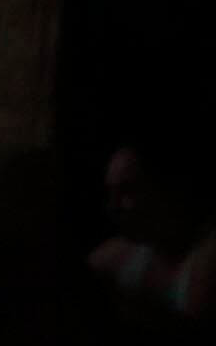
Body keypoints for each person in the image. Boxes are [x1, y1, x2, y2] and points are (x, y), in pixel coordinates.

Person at [90, 133, 212, 322]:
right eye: (111, 193)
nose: (112, 207)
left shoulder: (207, 253)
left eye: (127, 190)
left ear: (166, 187)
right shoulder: (117, 256)